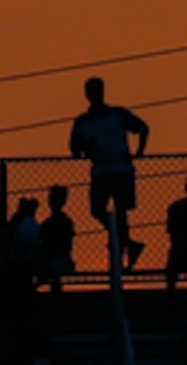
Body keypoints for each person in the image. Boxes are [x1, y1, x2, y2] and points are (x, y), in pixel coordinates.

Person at [66, 75, 150, 267]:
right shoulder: (82, 121)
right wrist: (85, 146)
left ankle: (123, 243)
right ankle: (126, 242)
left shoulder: (117, 114)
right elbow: (74, 149)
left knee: (122, 212)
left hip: (121, 169)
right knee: (97, 209)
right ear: (87, 94)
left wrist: (139, 153)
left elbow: (143, 128)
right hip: (100, 172)